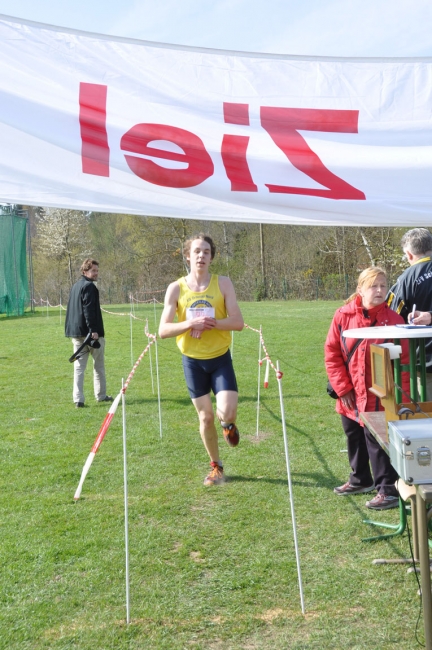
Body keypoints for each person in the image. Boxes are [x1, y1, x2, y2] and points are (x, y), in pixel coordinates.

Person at [159, 234, 244, 486]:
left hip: (220, 358)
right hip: (193, 361)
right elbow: (163, 330)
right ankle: (216, 467)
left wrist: (212, 323)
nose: (201, 256)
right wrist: (189, 323)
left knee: (226, 412)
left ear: (211, 256)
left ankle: (228, 425)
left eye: (206, 252)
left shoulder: (224, 284)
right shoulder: (176, 288)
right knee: (206, 418)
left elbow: (238, 322)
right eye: (196, 251)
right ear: (187, 255)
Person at [325, 267, 409, 510]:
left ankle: (388, 490)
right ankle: (360, 479)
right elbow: (332, 352)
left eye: (383, 285)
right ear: (360, 289)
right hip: (350, 393)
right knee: (353, 434)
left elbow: (402, 362)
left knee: (378, 439)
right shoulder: (342, 315)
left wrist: (398, 398)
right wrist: (343, 388)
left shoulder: (395, 321)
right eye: (374, 286)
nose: (380, 290)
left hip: (379, 395)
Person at [387, 227, 432, 399]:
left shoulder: (405, 279)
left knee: (427, 418)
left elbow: (391, 318)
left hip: (425, 362)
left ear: (409, 254)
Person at [65, 258, 113, 408]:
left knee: (79, 368)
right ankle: (101, 395)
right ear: (85, 271)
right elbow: (88, 310)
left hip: (76, 333)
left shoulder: (75, 286)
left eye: (97, 270)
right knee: (98, 366)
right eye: (93, 271)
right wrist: (94, 330)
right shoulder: (89, 287)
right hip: (90, 335)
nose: (96, 273)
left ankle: (78, 399)